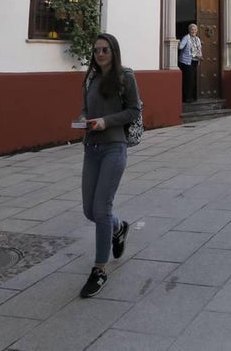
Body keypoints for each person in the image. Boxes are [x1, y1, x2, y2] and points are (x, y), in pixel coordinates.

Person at [77, 33, 142, 298]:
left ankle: (99, 269)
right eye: (96, 50)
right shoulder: (90, 78)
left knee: (101, 208)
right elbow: (85, 108)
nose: (100, 54)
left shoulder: (126, 77)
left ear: (114, 52)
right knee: (89, 211)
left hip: (115, 147)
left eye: (105, 50)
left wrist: (106, 121)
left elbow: (134, 111)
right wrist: (83, 118)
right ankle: (119, 228)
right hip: (91, 148)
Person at [178, 23, 202, 103]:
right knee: (188, 79)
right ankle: (186, 98)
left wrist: (200, 56)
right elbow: (180, 47)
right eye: (192, 29)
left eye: (195, 29)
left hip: (195, 61)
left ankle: (192, 96)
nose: (193, 31)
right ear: (189, 30)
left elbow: (199, 49)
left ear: (197, 31)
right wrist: (177, 42)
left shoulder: (197, 39)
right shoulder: (186, 38)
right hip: (187, 62)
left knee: (192, 79)